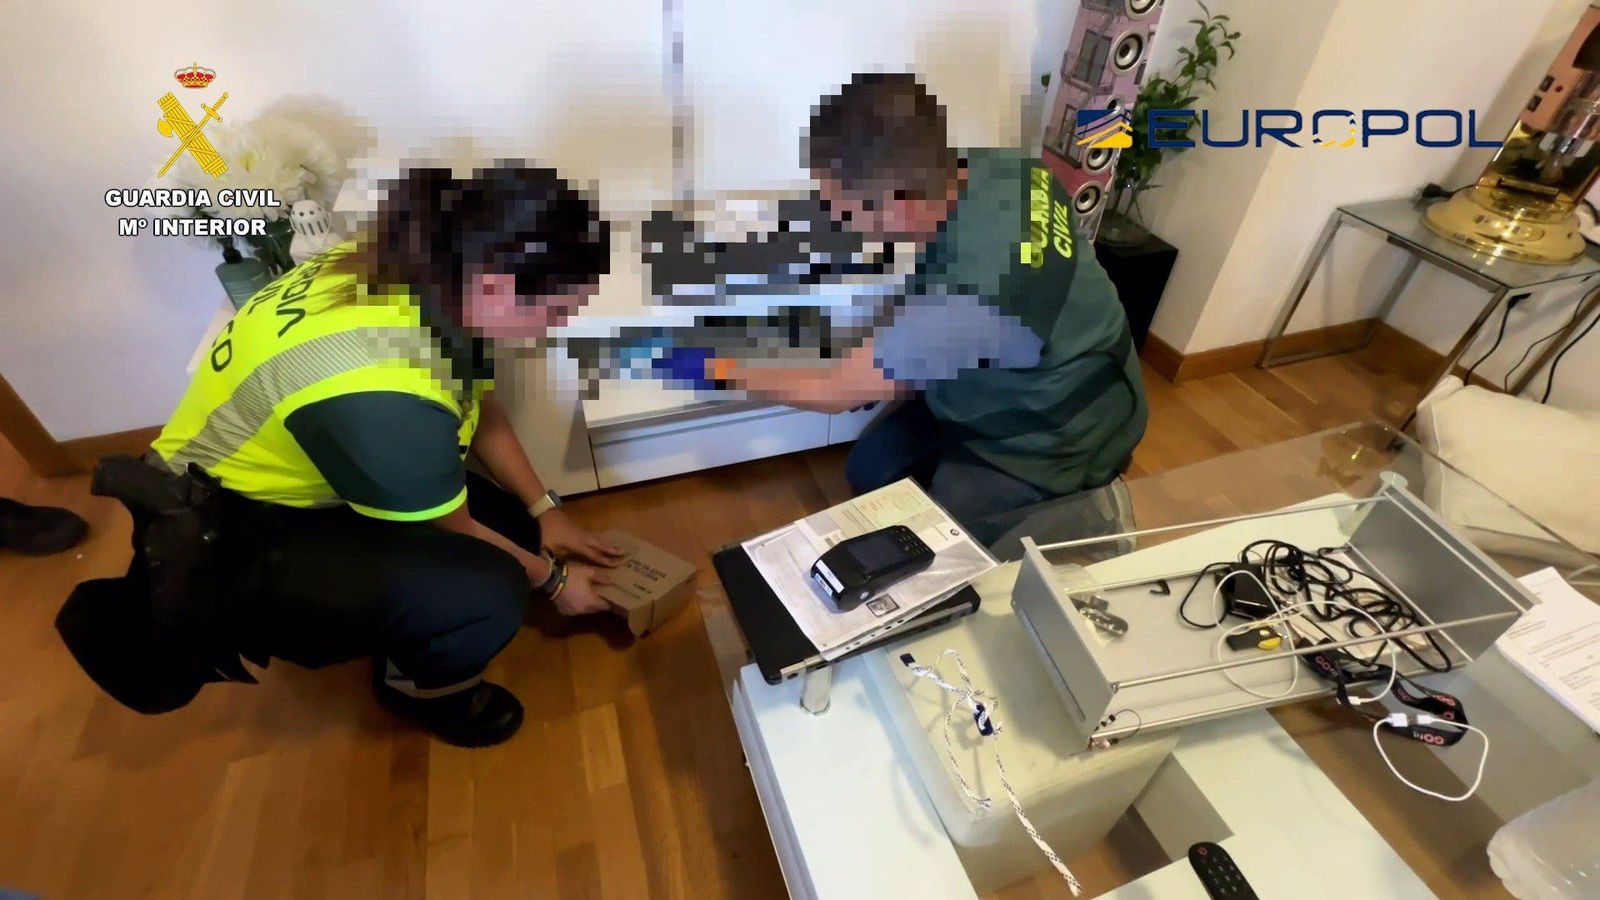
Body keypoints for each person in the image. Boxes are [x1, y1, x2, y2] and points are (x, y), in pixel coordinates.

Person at [85, 163, 623, 747]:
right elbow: (456, 525)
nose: (562, 325)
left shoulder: (418, 269)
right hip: (226, 537)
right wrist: (555, 583)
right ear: (495, 288)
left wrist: (546, 509)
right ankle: (419, 687)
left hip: (287, 469)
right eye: (559, 309)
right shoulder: (382, 392)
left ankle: (416, 599)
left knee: (517, 530)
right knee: (489, 592)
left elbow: (476, 400)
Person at [693, 73, 1147, 541]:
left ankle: (1083, 509)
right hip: (1071, 372)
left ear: (901, 204)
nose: (838, 220)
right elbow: (935, 301)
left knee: (940, 553)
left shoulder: (971, 298)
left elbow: (835, 391)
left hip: (1053, 436)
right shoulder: (1007, 169)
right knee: (870, 470)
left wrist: (719, 368)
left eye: (845, 211)